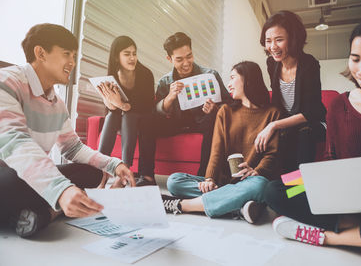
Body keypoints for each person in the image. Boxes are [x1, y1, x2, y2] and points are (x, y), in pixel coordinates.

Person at [264, 15, 361, 265]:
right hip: (346, 194)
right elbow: (330, 158)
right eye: (356, 59)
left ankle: (328, 236)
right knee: (275, 188)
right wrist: (316, 180)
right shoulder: (340, 105)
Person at [0, 23, 135, 238]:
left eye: (74, 55)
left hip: (28, 178)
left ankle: (39, 210)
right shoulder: (6, 82)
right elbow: (14, 142)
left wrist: (113, 164)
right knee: (13, 180)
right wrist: (60, 189)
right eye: (66, 54)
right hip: (6, 176)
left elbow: (72, 147)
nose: (72, 62)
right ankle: (51, 210)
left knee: (91, 173)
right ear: (40, 53)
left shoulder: (57, 104)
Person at [162, 61, 281, 224]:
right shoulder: (225, 111)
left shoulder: (272, 114)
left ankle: (183, 205)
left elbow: (272, 154)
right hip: (222, 181)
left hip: (251, 180)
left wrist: (256, 171)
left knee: (261, 185)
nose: (229, 84)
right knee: (174, 181)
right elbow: (216, 151)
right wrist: (209, 179)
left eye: (233, 78)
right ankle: (239, 206)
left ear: (247, 80)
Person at [255, 10, 326, 173]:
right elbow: (276, 103)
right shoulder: (272, 64)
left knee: (302, 132)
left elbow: (310, 113)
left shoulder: (309, 64)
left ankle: (298, 189)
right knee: (282, 135)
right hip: (288, 124)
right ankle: (281, 187)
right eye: (268, 41)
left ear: (293, 39)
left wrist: (274, 125)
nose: (273, 47)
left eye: (279, 40)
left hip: (313, 123)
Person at [155, 32, 232, 176]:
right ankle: (145, 175)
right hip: (176, 124)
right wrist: (169, 98)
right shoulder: (164, 82)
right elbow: (157, 113)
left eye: (189, 56)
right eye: (179, 59)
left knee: (213, 119)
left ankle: (203, 175)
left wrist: (215, 108)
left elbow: (229, 104)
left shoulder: (210, 74)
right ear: (169, 59)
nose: (186, 63)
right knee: (148, 123)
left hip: (202, 122)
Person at [97, 36, 156, 186]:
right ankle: (100, 173)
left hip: (143, 118)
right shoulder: (112, 76)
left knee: (129, 115)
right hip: (121, 119)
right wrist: (109, 101)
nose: (132, 58)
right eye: (127, 54)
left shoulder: (146, 74)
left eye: (134, 53)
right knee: (110, 117)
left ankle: (124, 173)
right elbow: (112, 110)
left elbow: (147, 105)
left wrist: (123, 105)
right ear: (117, 57)